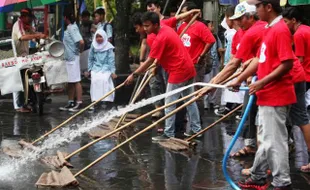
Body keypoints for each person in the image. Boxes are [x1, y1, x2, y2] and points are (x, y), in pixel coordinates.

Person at [229, 0, 296, 189]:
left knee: (275, 142)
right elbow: (260, 59)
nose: (255, 10)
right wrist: (240, 78)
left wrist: (261, 82)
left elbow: (287, 63)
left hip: (276, 94)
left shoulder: (280, 30)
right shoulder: (268, 29)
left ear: (268, 7)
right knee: (267, 139)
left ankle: (282, 182)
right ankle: (258, 175)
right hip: (267, 94)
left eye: (257, 6)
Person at [125, 12, 201, 140]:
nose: (145, 29)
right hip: (187, 68)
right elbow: (177, 18)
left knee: (169, 103)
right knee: (189, 101)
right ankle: (196, 129)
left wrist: (134, 74)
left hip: (179, 71)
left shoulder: (160, 38)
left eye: (147, 26)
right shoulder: (164, 25)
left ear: (155, 25)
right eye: (143, 26)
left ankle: (168, 133)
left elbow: (150, 60)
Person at [282, 6, 310, 173]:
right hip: (306, 75)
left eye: (286, 22)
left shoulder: (299, 34)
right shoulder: (307, 29)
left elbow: (298, 59)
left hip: (303, 75)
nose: (284, 25)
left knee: (300, 116)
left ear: (294, 20)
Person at [11, 8, 46, 113]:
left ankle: (32, 99)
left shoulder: (26, 26)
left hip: (25, 57)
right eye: (30, 18)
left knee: (31, 74)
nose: (31, 20)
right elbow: (22, 37)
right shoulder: (18, 25)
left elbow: (34, 36)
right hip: (17, 58)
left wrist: (39, 36)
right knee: (20, 81)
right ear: (25, 17)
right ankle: (19, 105)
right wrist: (36, 35)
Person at [85, 29, 117, 110]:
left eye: (100, 37)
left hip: (106, 67)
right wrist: (89, 69)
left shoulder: (108, 46)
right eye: (97, 37)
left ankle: (105, 100)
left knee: (104, 79)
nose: (99, 39)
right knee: (95, 80)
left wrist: (113, 71)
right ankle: (95, 101)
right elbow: (90, 58)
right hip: (96, 67)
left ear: (104, 37)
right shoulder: (93, 45)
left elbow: (111, 60)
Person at [59, 12, 85, 112]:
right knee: (70, 81)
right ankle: (71, 101)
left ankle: (79, 102)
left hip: (73, 57)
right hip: (69, 58)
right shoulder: (69, 28)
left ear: (65, 17)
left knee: (76, 81)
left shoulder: (72, 28)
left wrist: (79, 51)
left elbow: (81, 42)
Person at [202, 20, 223, 110]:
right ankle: (205, 103)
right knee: (206, 83)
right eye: (211, 26)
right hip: (207, 64)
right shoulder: (203, 37)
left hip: (215, 63)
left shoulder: (215, 36)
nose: (213, 28)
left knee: (215, 82)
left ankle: (213, 101)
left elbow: (219, 48)